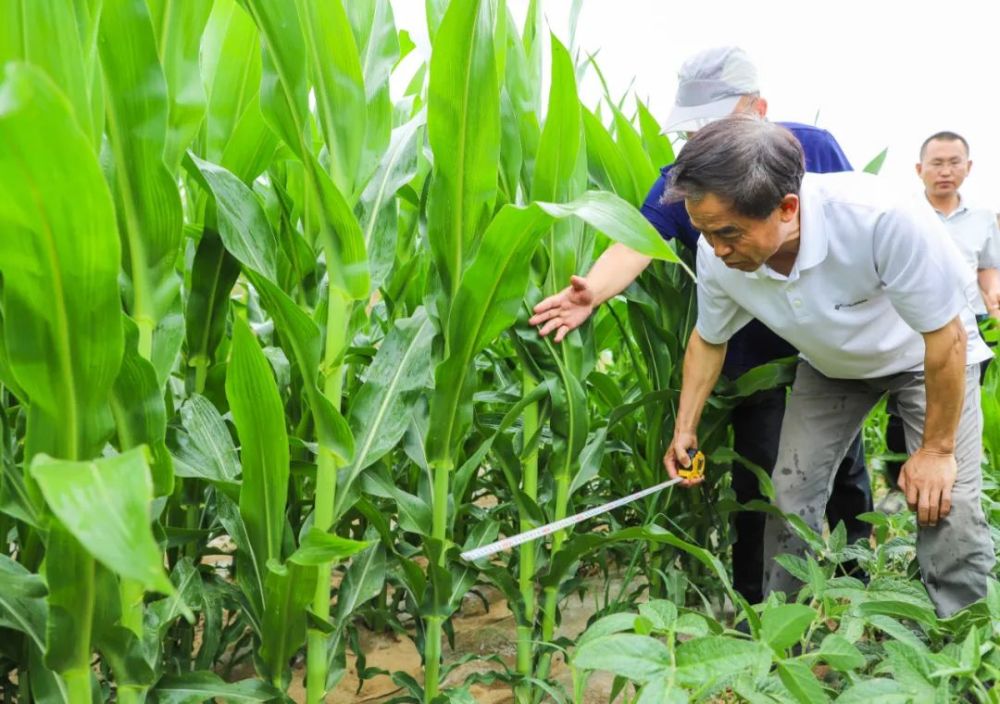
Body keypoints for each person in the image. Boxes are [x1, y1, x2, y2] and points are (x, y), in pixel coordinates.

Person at [530, 46, 872, 605]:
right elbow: (639, 238)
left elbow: (856, 228)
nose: (699, 141)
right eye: (693, 129)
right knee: (760, 480)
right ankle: (755, 607)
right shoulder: (683, 178)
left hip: (826, 348)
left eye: (715, 123)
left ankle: (856, 588)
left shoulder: (814, 147)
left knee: (844, 470)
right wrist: (592, 291)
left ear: (758, 108)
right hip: (746, 356)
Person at [660, 116, 994, 616]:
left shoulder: (878, 217)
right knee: (790, 496)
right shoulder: (718, 255)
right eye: (704, 232)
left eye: (728, 232)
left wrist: (936, 450)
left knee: (946, 503)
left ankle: (960, 649)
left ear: (787, 207)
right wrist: (684, 428)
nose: (717, 249)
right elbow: (709, 340)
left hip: (925, 358)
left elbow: (944, 338)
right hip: (832, 366)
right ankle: (781, 634)